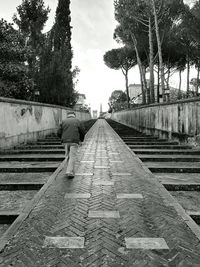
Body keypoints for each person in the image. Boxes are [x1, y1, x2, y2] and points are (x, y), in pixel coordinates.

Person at [58, 111, 85, 178]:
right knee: (72, 156)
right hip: (74, 141)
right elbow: (82, 131)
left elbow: (58, 132)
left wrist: (62, 138)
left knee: (67, 156)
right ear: (74, 115)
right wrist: (81, 140)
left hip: (65, 142)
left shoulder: (63, 121)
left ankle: (69, 170)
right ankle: (69, 172)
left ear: (68, 115)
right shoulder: (77, 121)